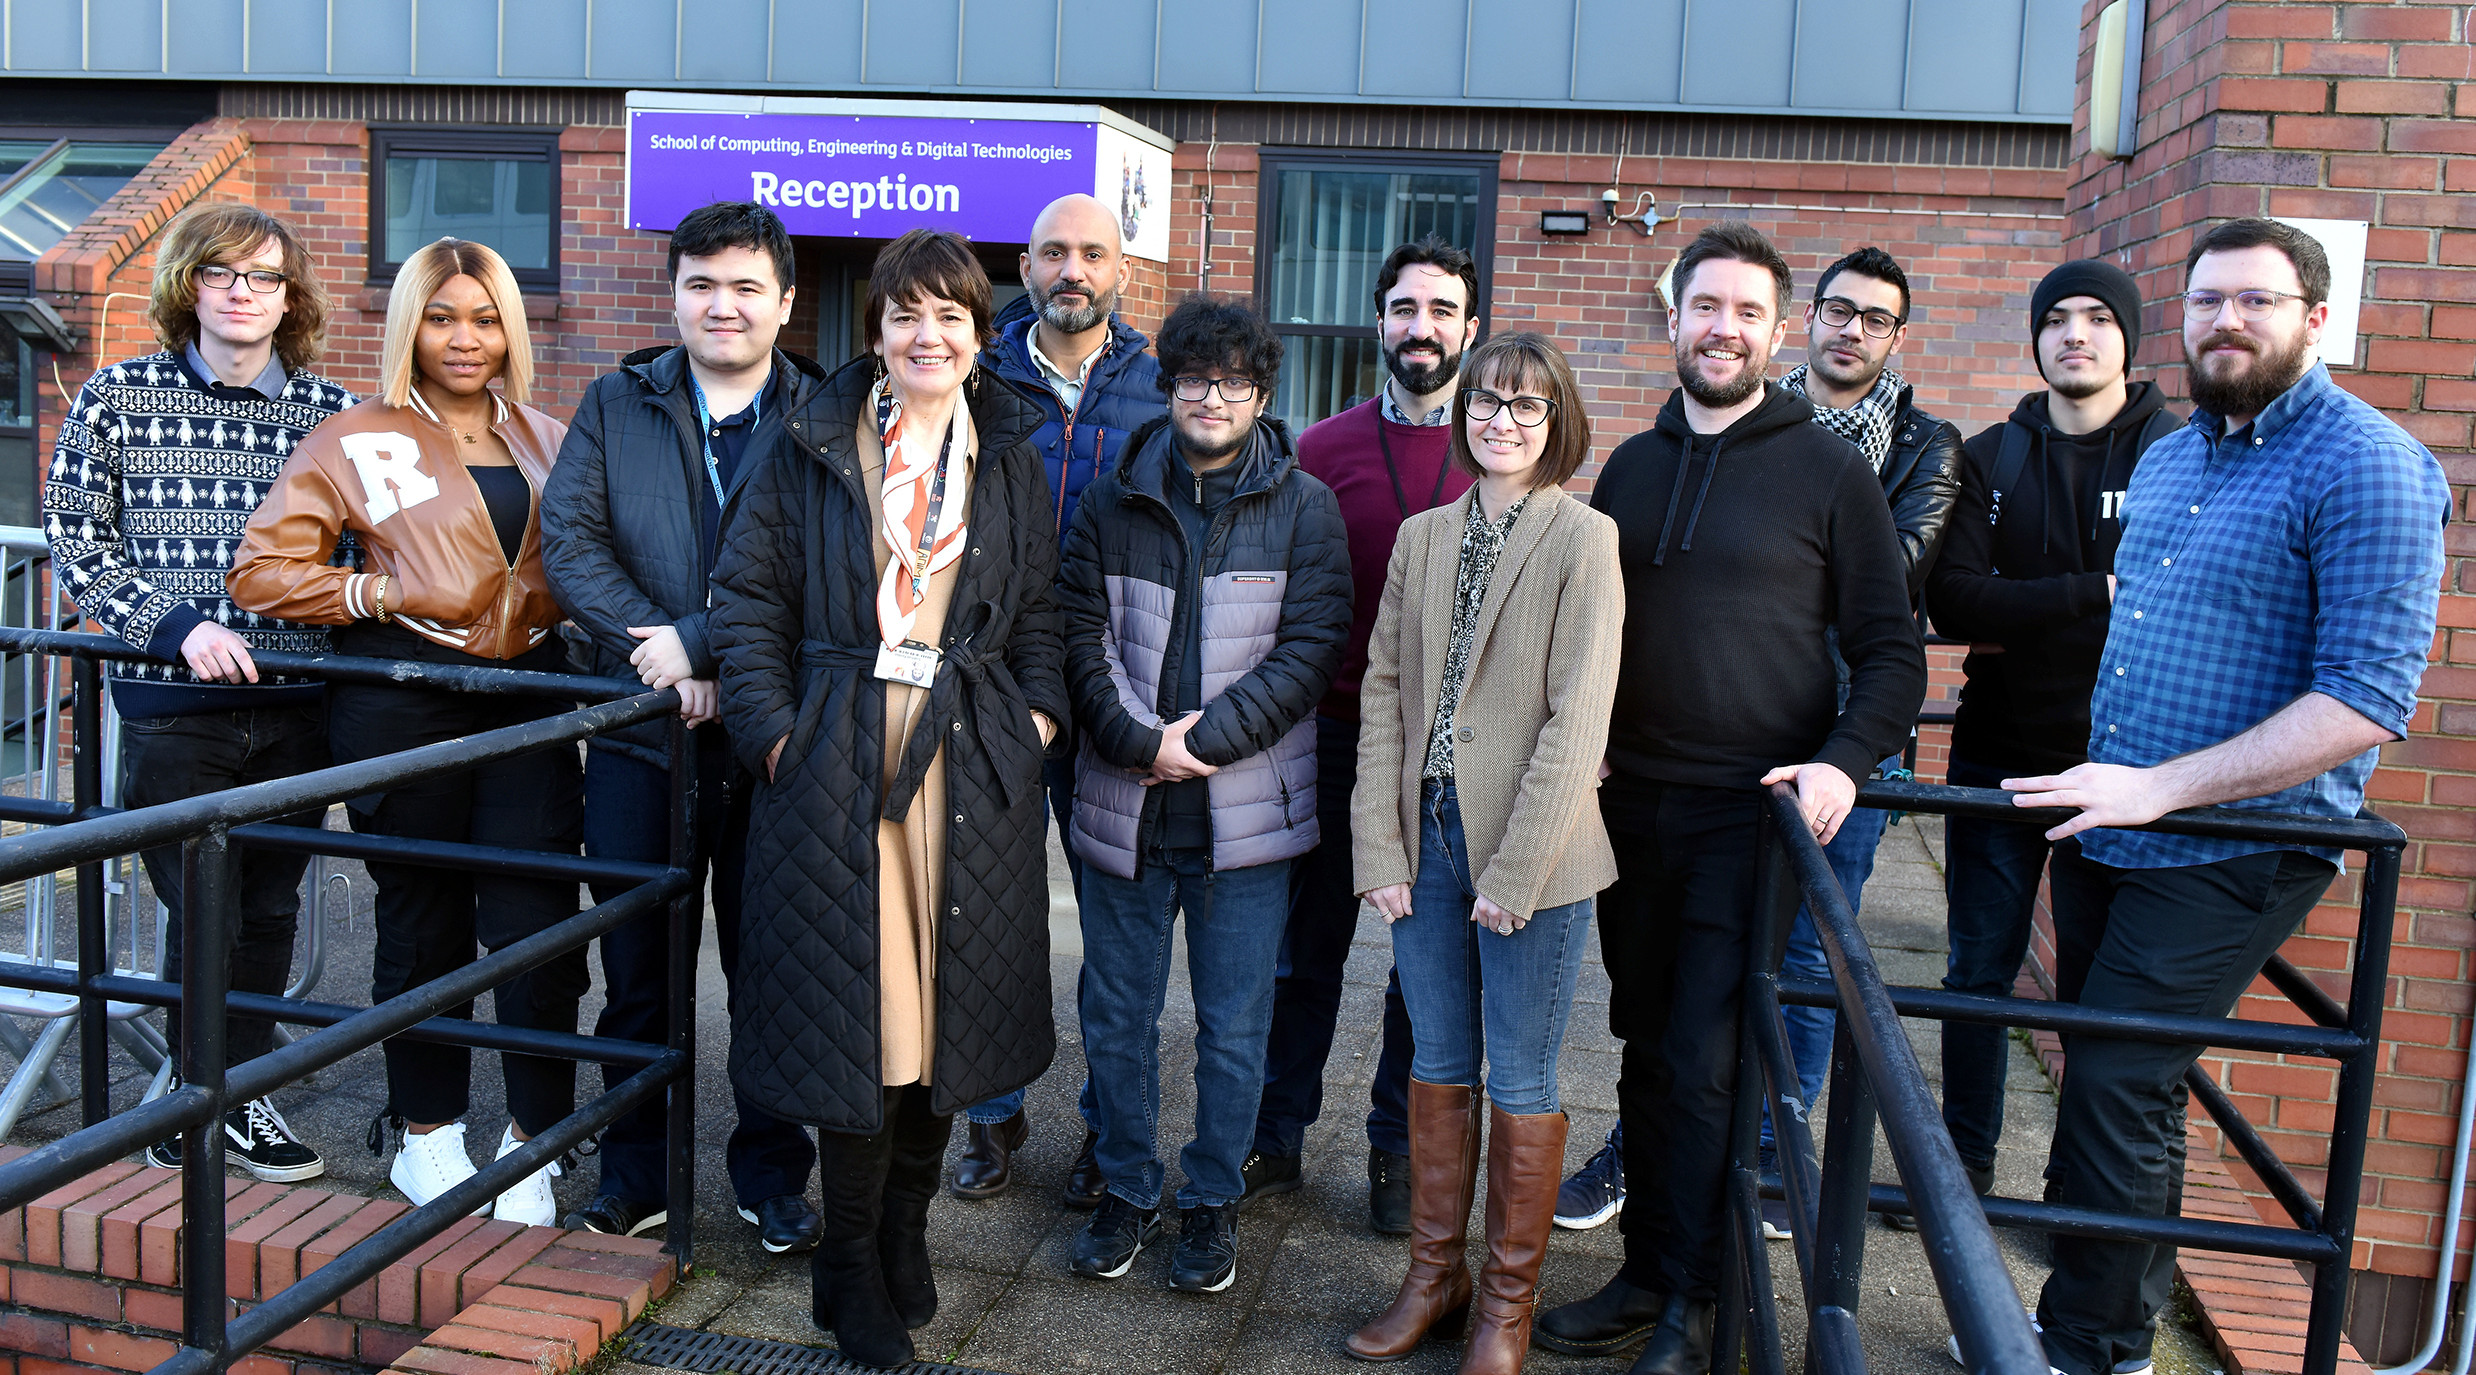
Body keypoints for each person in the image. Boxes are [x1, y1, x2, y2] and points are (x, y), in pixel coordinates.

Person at [1999, 218, 2446, 1375]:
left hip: (2241, 839)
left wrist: (2164, 788)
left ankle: (2090, 1350)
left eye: (2254, 300)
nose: (2225, 321)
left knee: (2112, 1073)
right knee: (2120, 1084)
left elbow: (2362, 699)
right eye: (2205, 301)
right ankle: (2099, 1324)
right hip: (2115, 822)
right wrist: (2122, 789)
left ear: (2314, 316)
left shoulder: (2371, 464)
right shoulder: (2170, 453)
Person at [1532, 222, 1924, 1375]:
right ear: (1674, 319)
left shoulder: (1828, 472)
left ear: (1780, 331)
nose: (1724, 329)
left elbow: (1891, 653)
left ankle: (1697, 1301)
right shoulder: (1632, 466)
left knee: (1707, 1057)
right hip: (1629, 811)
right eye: (1706, 307)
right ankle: (1650, 1269)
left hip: (1747, 819)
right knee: (1645, 1046)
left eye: (1749, 313)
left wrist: (1841, 762)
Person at [709, 229, 1069, 1371]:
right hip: (834, 766)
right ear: (876, 331)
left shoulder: (1007, 450)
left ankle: (907, 1229)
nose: (929, 336)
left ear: (978, 334)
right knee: (857, 1031)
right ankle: (847, 1262)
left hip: (968, 765)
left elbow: (1047, 616)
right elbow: (746, 600)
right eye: (907, 315)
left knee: (946, 1023)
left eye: (952, 316)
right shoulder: (808, 441)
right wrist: (774, 740)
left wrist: (1037, 725)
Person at [230, 237, 582, 1227]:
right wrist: (375, 587)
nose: (464, 338)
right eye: (441, 316)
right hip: (404, 697)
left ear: (509, 324)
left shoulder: (549, 437)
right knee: (423, 921)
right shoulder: (355, 437)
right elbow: (261, 571)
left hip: (529, 700)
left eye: (483, 316)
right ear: (409, 327)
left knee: (538, 926)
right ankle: (425, 1139)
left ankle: (532, 1138)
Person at [44, 202, 353, 1182]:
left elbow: (370, 547)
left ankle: (237, 1092)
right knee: (202, 907)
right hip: (174, 707)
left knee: (268, 909)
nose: (241, 293)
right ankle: (194, 1095)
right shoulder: (117, 396)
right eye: (220, 275)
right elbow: (78, 541)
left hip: (303, 700)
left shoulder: (333, 414)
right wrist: (181, 630)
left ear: (289, 296)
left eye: (262, 277)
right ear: (188, 287)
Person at [540, 202, 825, 1250]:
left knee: (774, 974)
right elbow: (567, 542)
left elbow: (826, 572)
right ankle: (635, 1174)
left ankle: (772, 1177)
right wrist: (652, 649)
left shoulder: (824, 413)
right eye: (703, 283)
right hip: (637, 736)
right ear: (674, 292)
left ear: (785, 303)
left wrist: (703, 643)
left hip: (770, 743)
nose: (723, 304)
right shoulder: (618, 402)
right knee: (637, 975)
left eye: (748, 286)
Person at [1061, 294, 1350, 1295]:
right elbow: (1075, 633)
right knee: (1116, 1015)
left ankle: (1213, 1195)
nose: (1212, 395)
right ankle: (1127, 1189)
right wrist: (1139, 740)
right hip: (1124, 803)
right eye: (1194, 377)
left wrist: (1203, 743)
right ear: (1169, 383)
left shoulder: (1304, 506)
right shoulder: (1111, 497)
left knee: (1234, 1027)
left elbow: (1309, 648)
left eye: (1232, 379)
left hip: (1245, 822)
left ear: (1261, 391)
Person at [1345, 332, 1621, 1375]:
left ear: (1557, 425)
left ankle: (1506, 1301)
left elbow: (1577, 716)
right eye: (1487, 403)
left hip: (1531, 853)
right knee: (1436, 1062)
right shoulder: (1419, 537)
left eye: (1526, 407)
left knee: (1523, 1076)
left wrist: (1516, 873)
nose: (1501, 421)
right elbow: (1381, 690)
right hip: (1426, 837)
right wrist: (1380, 840)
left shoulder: (1582, 539)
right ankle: (1434, 1275)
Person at [1921, 257, 2179, 1228]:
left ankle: (2073, 1189)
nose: (2076, 333)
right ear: (2034, 338)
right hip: (1995, 752)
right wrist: (2095, 595)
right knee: (1974, 975)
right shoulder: (1990, 456)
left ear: (2127, 337)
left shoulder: (2173, 453)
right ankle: (1961, 1170)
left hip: (2120, 763)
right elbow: (1952, 600)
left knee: (2093, 989)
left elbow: (2169, 607)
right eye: (2057, 319)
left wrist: (2021, 609)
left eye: (2097, 318)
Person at [1255, 234, 1477, 1234]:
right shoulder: (1323, 450)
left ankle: (1397, 1148)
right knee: (1304, 954)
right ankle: (1276, 1130)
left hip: (1446, 756)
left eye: (1439, 310)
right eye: (1403, 309)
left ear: (1469, 328)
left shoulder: (1501, 449)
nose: (1419, 328)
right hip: (1332, 735)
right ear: (1378, 322)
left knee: (1420, 969)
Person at [960, 192, 1164, 1206]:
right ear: (1024, 266)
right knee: (985, 920)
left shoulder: (1163, 388)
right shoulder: (970, 371)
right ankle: (989, 1118)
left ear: (1123, 270)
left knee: (1116, 938)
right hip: (993, 690)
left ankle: (1107, 1130)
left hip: (1114, 694)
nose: (1070, 268)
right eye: (1050, 251)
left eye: (1091, 252)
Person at [1758, 244, 1960, 1237]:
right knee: (1708, 947)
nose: (1850, 329)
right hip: (1735, 723)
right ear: (1809, 317)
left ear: (1895, 336)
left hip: (1849, 735)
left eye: (1873, 318)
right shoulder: (1749, 416)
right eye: (1836, 309)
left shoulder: (1928, 444)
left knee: (1809, 953)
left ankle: (1777, 1158)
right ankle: (1663, 1140)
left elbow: (1898, 571)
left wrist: (1772, 546)